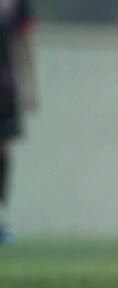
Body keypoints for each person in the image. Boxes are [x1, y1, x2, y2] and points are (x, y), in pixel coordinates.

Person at [0, 0, 36, 244]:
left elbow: (24, 43)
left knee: (2, 149)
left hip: (5, 86)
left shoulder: (19, 5)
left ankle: (0, 217)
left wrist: (31, 84)